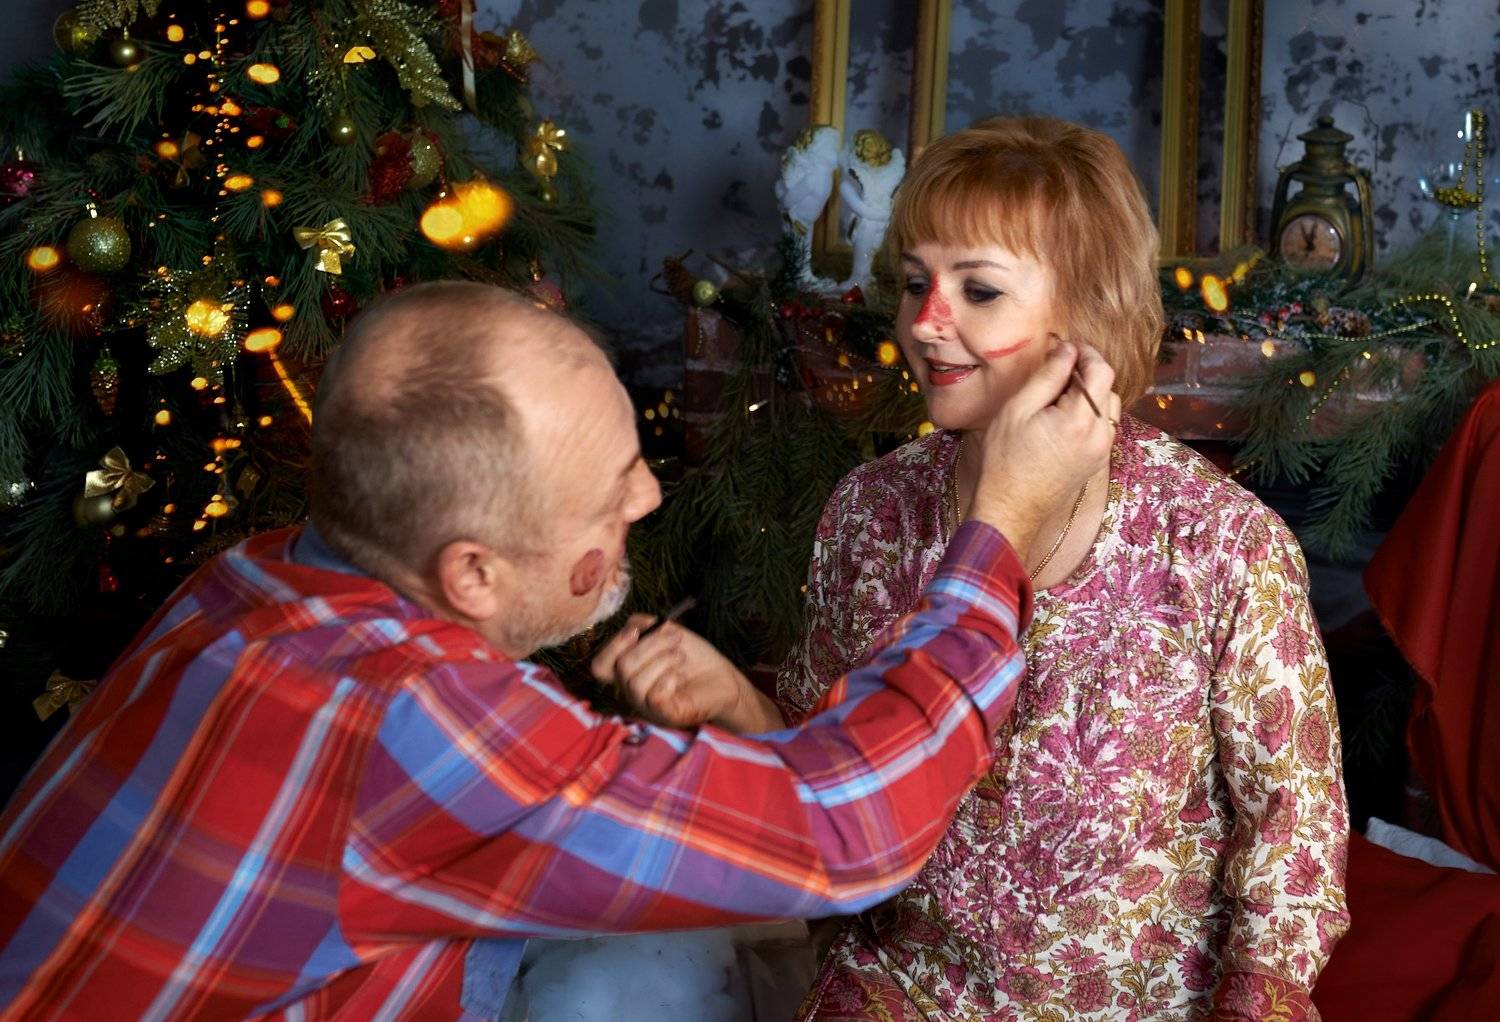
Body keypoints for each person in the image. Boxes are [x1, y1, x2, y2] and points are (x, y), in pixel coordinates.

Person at [0, 280, 1117, 1020]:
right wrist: (1000, 525)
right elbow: (853, 830)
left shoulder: (259, 575)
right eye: (607, 494)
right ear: (473, 575)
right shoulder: (405, 715)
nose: (648, 497)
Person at [605, 118, 1351, 1020]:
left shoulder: (1221, 542)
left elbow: (1293, 852)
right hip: (897, 992)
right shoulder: (871, 511)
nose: (925, 324)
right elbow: (834, 792)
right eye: (916, 282)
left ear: (1089, 312)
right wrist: (733, 700)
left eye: (980, 290)